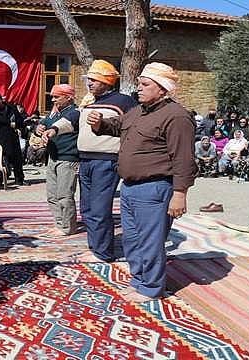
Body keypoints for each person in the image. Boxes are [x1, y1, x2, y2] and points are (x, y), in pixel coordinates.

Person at [87, 62, 196, 303]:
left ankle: (152, 288)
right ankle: (139, 280)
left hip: (155, 188)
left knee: (151, 241)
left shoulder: (177, 117)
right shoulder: (138, 111)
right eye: (139, 84)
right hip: (129, 187)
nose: (139, 89)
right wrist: (99, 123)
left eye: (145, 84)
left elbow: (184, 159)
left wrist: (180, 193)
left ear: (163, 89)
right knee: (132, 239)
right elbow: (118, 126)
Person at [74, 60, 137, 264]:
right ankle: (95, 246)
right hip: (85, 160)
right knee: (86, 208)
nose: (89, 83)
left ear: (106, 81)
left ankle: (103, 253)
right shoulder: (89, 102)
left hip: (106, 161)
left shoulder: (124, 102)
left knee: (100, 208)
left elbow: (133, 128)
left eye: (94, 80)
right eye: (88, 80)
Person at [38, 84, 80, 236]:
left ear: (68, 98)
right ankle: (59, 223)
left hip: (68, 158)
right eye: (52, 96)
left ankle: (68, 227)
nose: (53, 99)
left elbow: (60, 127)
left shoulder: (75, 113)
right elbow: (45, 126)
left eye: (57, 97)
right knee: (52, 195)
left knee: (64, 195)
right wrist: (40, 127)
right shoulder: (54, 113)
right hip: (53, 157)